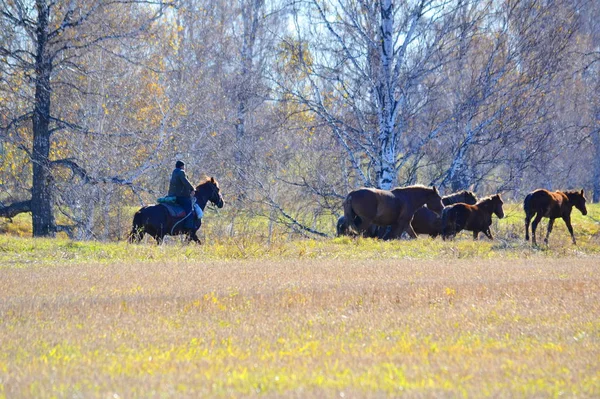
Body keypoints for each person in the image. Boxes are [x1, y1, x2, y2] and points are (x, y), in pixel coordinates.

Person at [168, 160, 195, 229]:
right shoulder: (181, 172)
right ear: (182, 166)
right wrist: (192, 189)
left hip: (171, 195)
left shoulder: (174, 172)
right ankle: (188, 225)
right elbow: (185, 182)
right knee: (189, 207)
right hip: (180, 196)